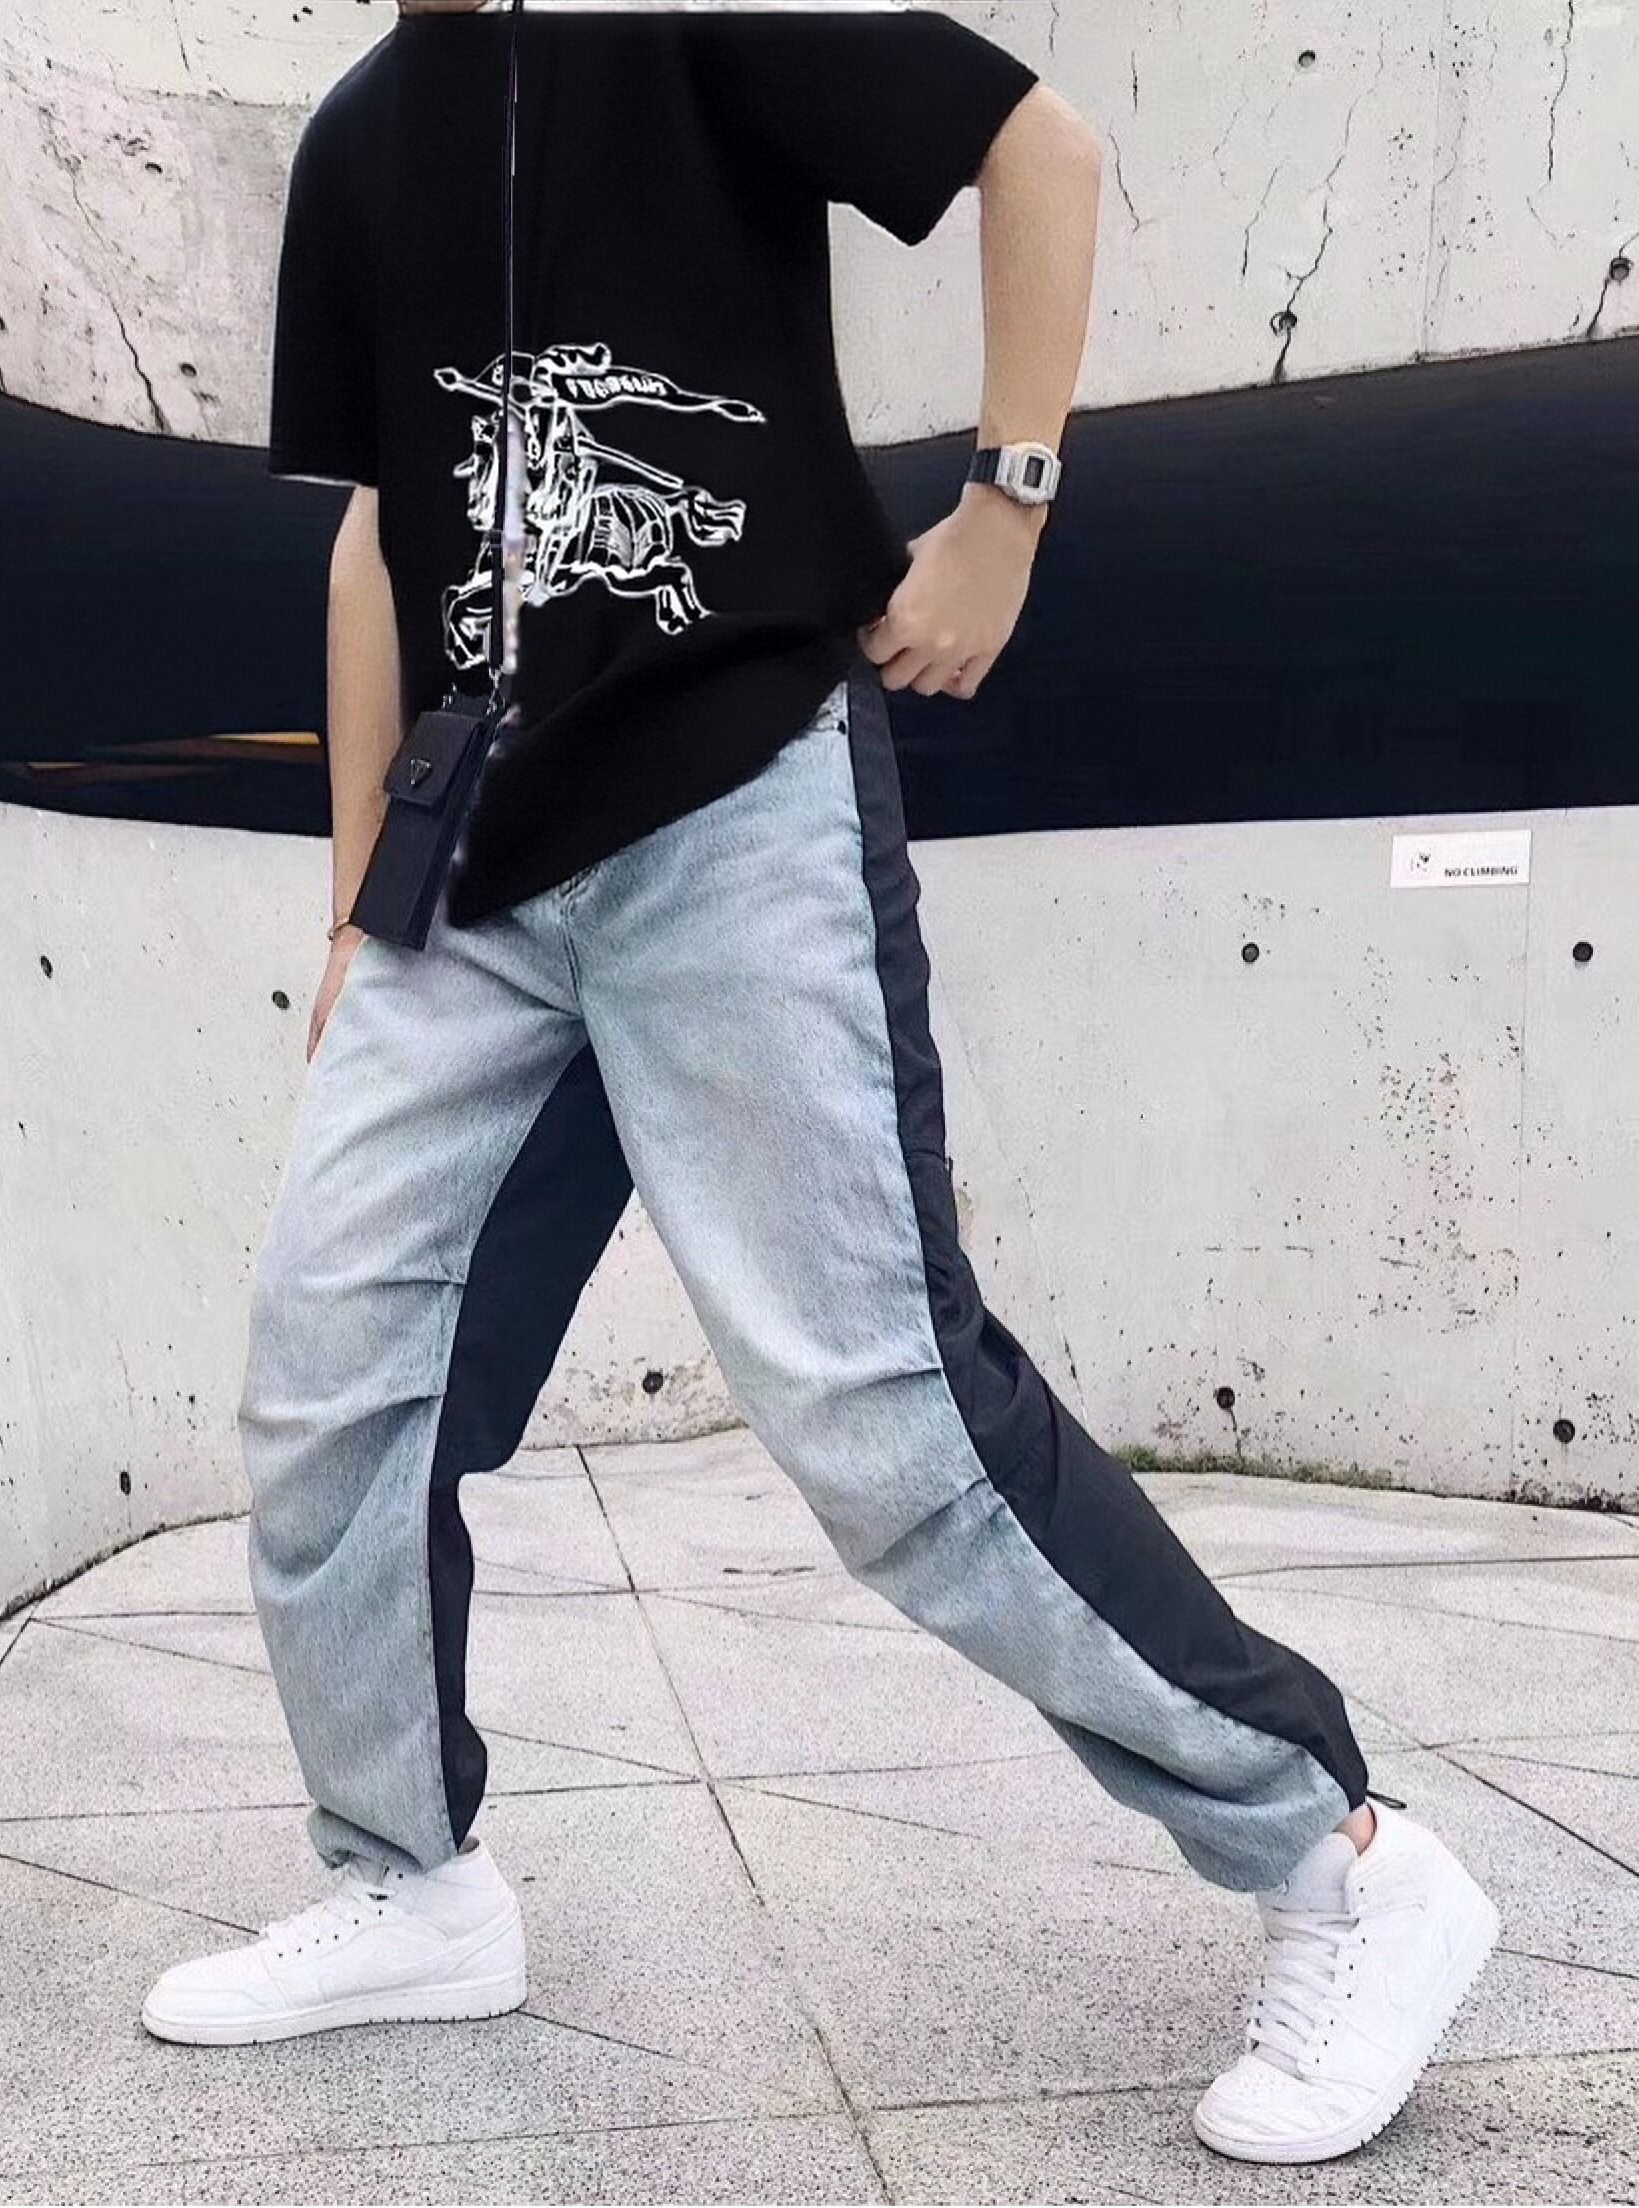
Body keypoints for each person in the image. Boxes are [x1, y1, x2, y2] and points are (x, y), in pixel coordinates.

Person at [142, 0, 1498, 2167]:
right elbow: (383, 535)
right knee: (333, 1379)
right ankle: (408, 1884)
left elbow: (1039, 145)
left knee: (882, 1415)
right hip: (468, 881)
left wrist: (1006, 512)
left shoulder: (689, 23)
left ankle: (1345, 1863)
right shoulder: (363, 135)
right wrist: (347, 911)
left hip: (732, 804)